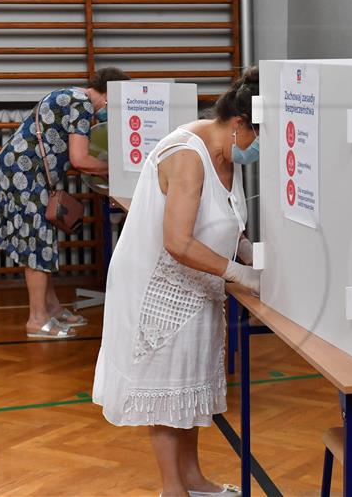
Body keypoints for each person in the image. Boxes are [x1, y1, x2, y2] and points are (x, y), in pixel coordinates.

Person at [93, 67, 261, 497]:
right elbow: (178, 241)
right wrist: (237, 273)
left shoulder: (226, 151)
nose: (259, 149)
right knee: (166, 396)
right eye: (259, 137)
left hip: (199, 286)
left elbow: (221, 220)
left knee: (188, 387)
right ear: (239, 123)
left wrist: (247, 252)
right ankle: (174, 490)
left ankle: (194, 479)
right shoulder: (188, 154)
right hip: (161, 289)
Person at [0, 67, 130, 338]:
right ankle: (37, 320)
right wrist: (115, 169)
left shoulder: (74, 95)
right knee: (37, 243)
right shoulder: (83, 105)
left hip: (21, 171)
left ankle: (51, 307)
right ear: (111, 94)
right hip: (24, 175)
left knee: (43, 240)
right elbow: (80, 159)